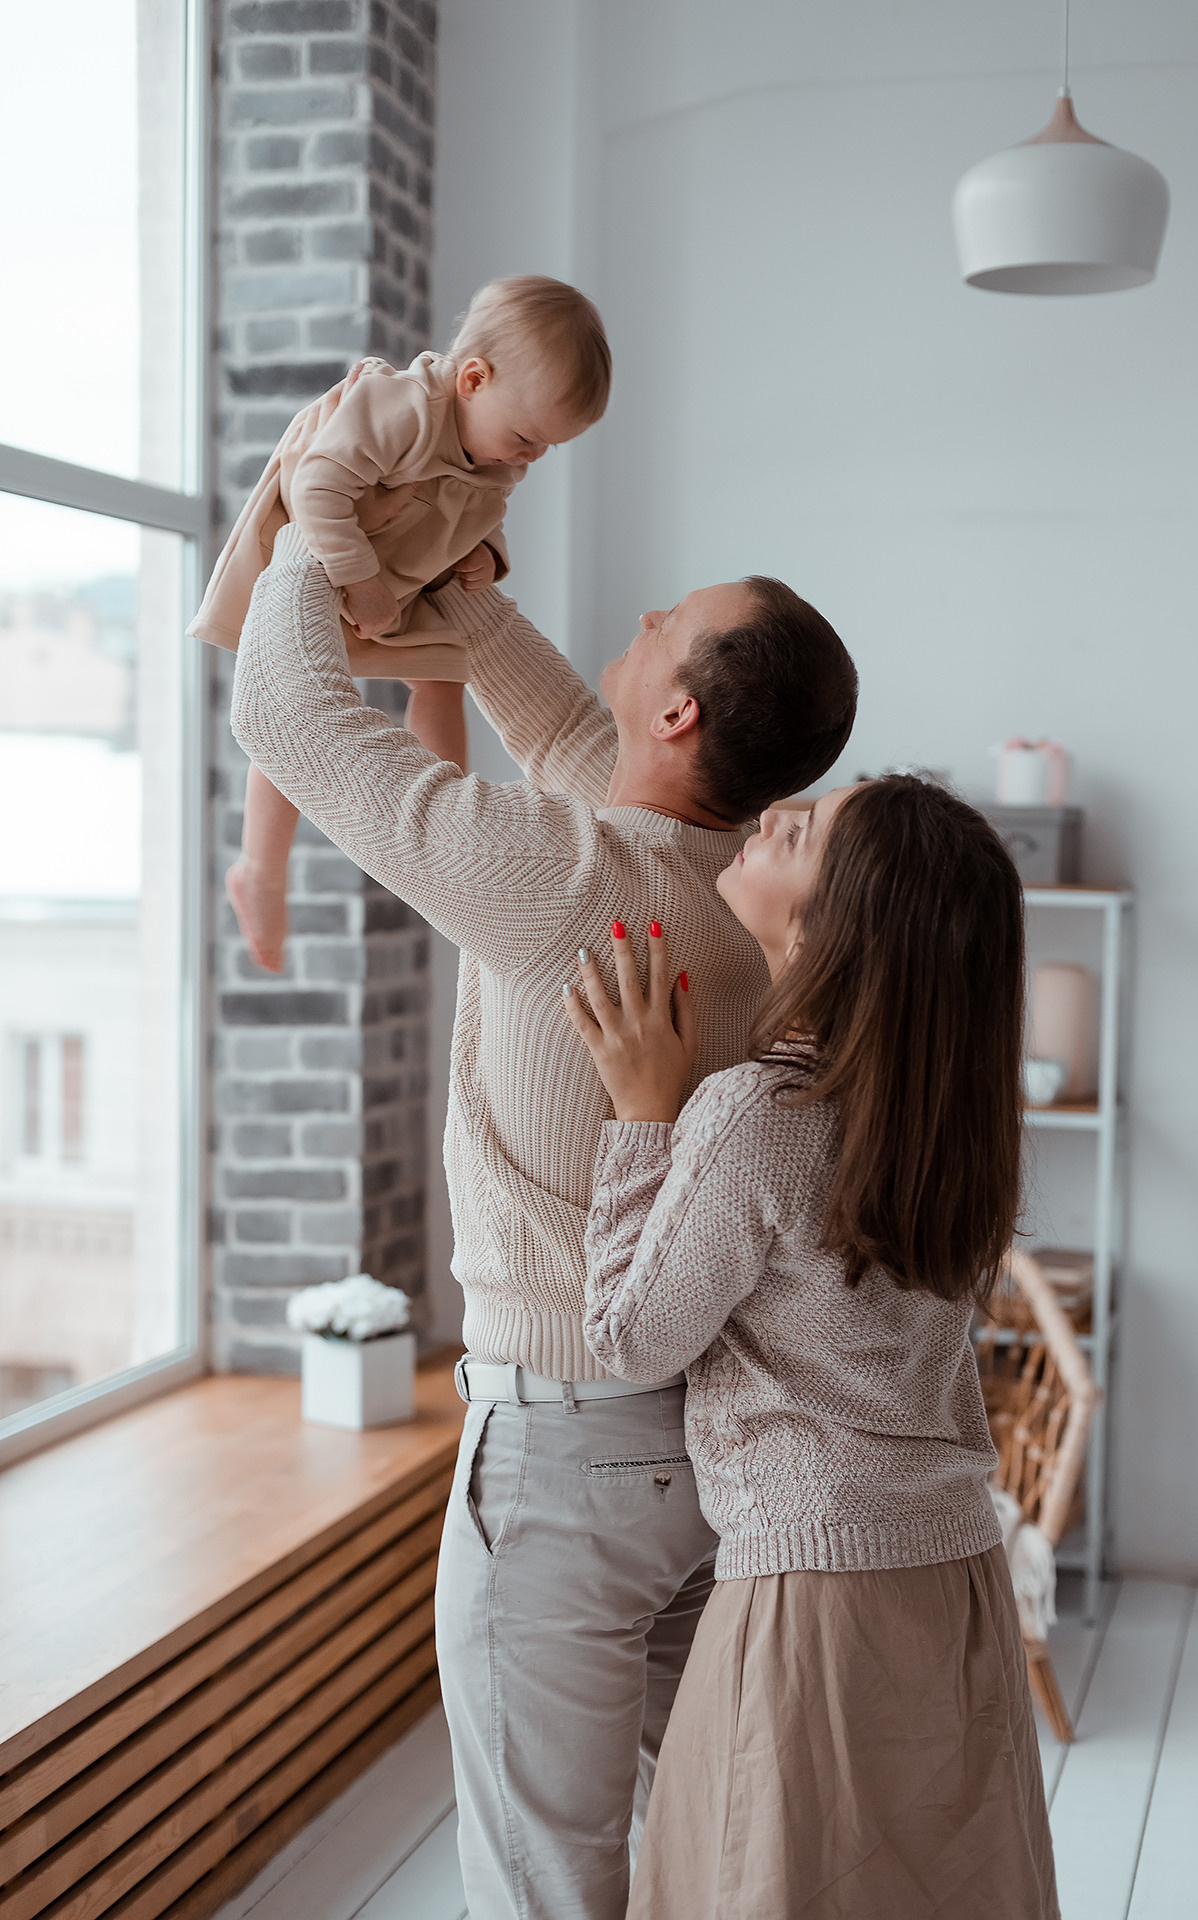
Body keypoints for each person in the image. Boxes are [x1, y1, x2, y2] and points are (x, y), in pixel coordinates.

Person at [228, 512, 858, 1919]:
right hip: (691, 1451)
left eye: (658, 625)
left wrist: (299, 538)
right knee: (716, 1845)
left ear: (682, 707)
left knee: (545, 1887)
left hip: (563, 1457)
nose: (632, 621)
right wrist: (468, 596)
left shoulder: (564, 879)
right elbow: (588, 746)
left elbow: (281, 709)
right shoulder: (735, 904)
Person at [565, 775, 1059, 1920]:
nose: (768, 818)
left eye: (803, 833)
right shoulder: (955, 1130)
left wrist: (641, 1113)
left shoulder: (753, 1114)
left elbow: (629, 1337)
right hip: (954, 1581)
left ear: (834, 925)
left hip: (811, 1600)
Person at [192, 274, 610, 971]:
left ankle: (444, 845)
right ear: (473, 378)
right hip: (327, 547)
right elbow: (315, 487)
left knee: (444, 676)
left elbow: (481, 507)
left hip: (400, 566)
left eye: (547, 448)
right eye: (526, 438)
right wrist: (356, 579)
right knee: (294, 711)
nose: (530, 458)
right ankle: (260, 868)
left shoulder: (497, 445)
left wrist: (488, 554)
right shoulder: (403, 407)